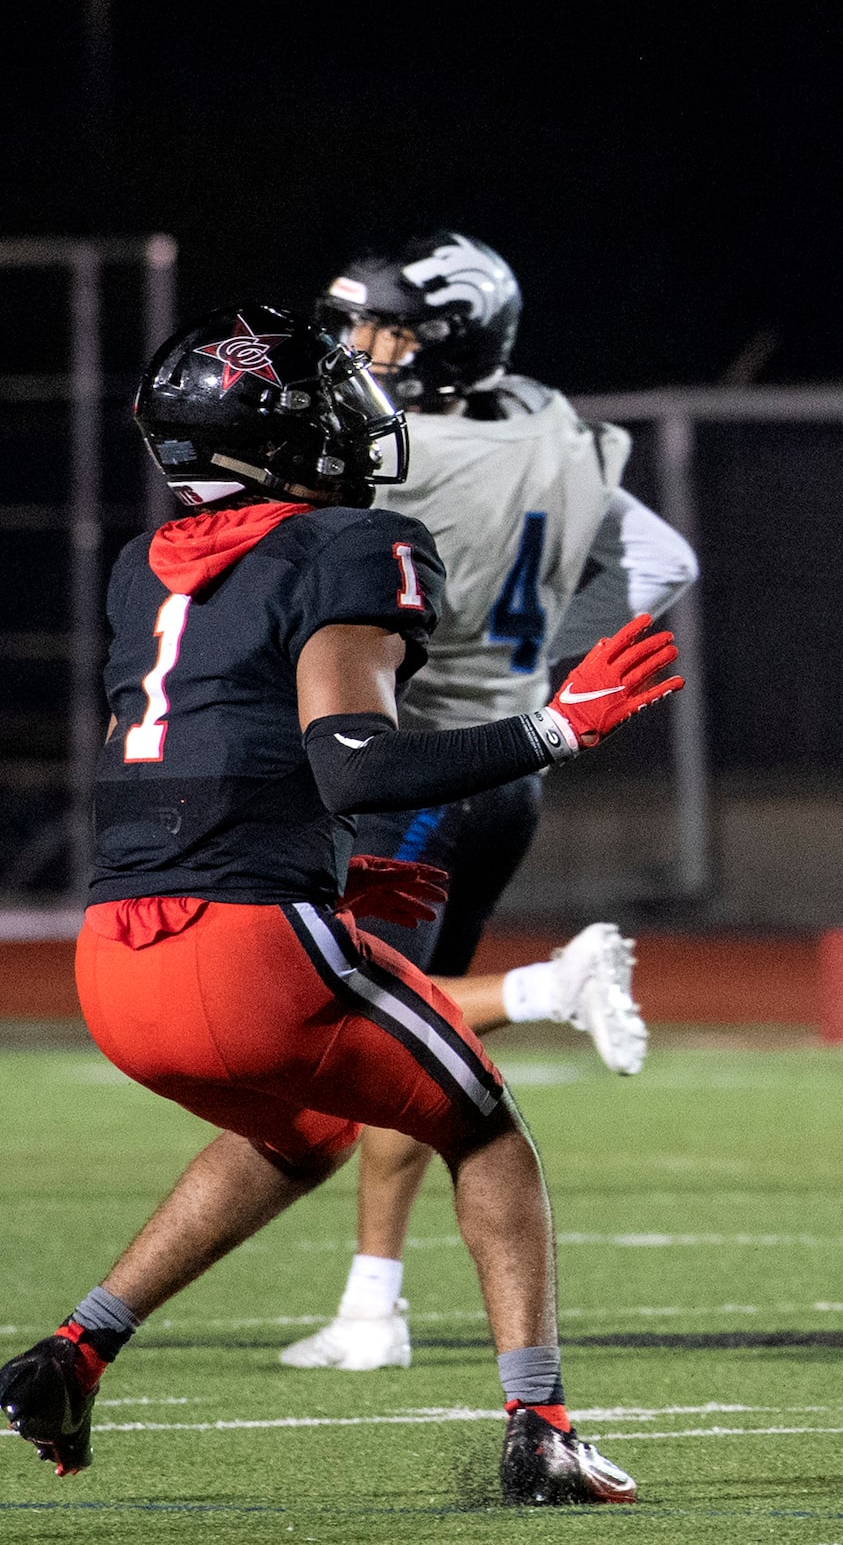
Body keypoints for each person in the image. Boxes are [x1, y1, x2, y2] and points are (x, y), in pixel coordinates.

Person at [0, 307, 676, 1500]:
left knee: (299, 1133)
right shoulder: (349, 544)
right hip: (245, 952)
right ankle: (542, 1428)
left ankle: (76, 1348)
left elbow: (176, 759)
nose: (354, 421)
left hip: (114, 961)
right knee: (484, 1127)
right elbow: (354, 762)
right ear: (275, 438)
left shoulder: (139, 563)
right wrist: (554, 728)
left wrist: (334, 872)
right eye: (327, 403)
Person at [274, 232, 699, 1373]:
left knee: (362, 1008)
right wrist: (545, 672)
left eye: (389, 330)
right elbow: (661, 563)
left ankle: (550, 984)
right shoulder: (556, 426)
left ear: (450, 339)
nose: (361, 348)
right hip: (511, 767)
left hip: (416, 767)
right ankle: (371, 1303)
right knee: (415, 1035)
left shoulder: (403, 454)